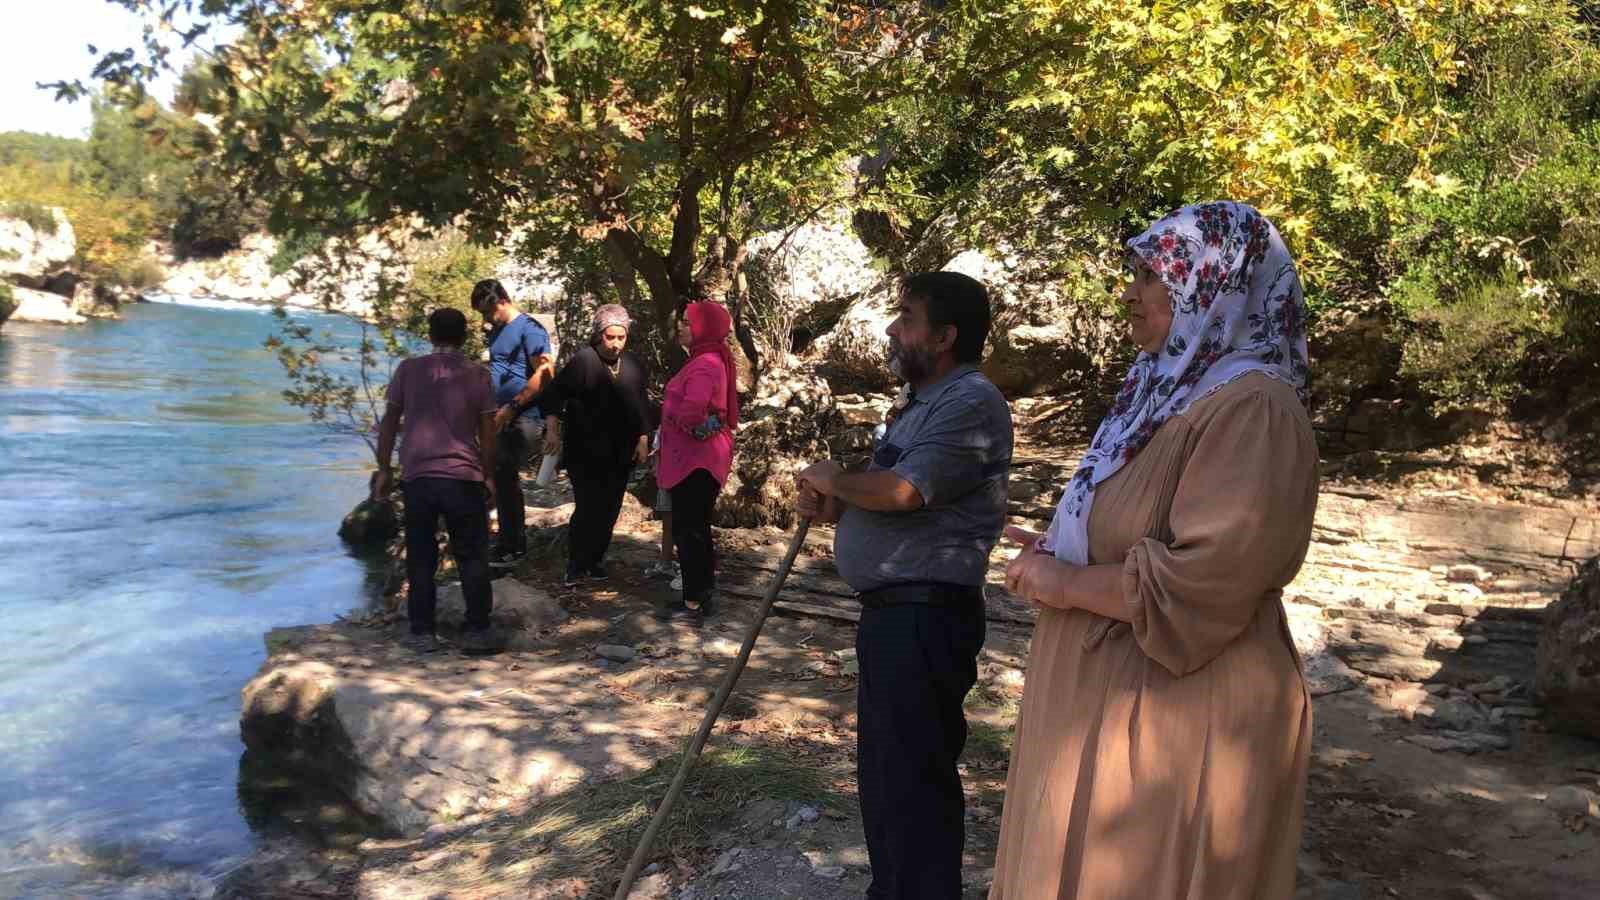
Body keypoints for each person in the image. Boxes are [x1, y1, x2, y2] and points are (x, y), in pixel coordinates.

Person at [986, 202, 1317, 899]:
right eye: (1132, 273)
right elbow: (1140, 524)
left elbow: (1204, 582)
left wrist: (1062, 582)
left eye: (1154, 274)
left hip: (1175, 718)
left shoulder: (1252, 408)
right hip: (1109, 705)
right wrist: (1067, 547)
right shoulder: (1165, 388)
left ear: (1216, 282)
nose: (1130, 293)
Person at [795, 271, 1013, 900]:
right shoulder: (922, 404)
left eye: (907, 317)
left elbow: (904, 491)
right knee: (887, 776)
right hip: (895, 614)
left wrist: (838, 480)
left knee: (912, 779)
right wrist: (833, 504)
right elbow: (883, 493)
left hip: (925, 615)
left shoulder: (970, 401)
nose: (893, 329)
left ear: (945, 335)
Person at [373, 308, 501, 654]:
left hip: (418, 476)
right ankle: (478, 629)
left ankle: (421, 632)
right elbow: (488, 431)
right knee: (472, 554)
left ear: (430, 335)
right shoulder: (478, 375)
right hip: (463, 476)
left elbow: (389, 421)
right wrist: (489, 475)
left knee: (420, 554)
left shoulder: (408, 370)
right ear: (464, 337)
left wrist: (384, 468)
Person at [539, 304, 652, 587]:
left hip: (620, 452)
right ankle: (577, 563)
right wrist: (552, 430)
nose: (615, 344)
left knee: (610, 507)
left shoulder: (634, 365)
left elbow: (642, 407)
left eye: (620, 338)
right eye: (610, 337)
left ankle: (596, 560)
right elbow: (553, 395)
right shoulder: (583, 362)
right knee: (588, 506)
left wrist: (643, 439)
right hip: (584, 451)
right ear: (599, 335)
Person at [656, 301, 738, 622]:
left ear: (704, 328)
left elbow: (692, 410)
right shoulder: (711, 359)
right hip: (701, 459)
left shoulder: (704, 363)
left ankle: (696, 599)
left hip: (695, 461)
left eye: (688, 323)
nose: (681, 327)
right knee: (696, 527)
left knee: (689, 529)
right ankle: (701, 595)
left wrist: (669, 417)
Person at [470, 278, 555, 569]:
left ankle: (513, 547)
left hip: (523, 416)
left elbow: (546, 372)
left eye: (486, 312)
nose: (484, 319)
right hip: (499, 414)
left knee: (505, 477)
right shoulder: (497, 332)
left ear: (500, 301)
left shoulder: (529, 329)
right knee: (494, 475)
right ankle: (504, 539)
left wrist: (513, 406)